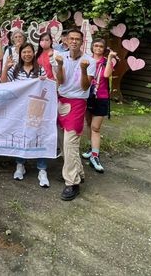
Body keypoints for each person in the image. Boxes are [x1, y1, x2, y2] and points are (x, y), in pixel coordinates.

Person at [51, 28, 92, 201]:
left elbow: (85, 87)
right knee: (63, 141)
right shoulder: (60, 57)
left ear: (82, 42)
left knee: (70, 142)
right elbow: (59, 81)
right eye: (71, 38)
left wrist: (83, 69)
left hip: (77, 102)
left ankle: (72, 182)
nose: (74, 41)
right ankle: (79, 173)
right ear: (66, 41)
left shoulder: (89, 61)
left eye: (77, 39)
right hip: (61, 100)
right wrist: (59, 65)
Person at [1, 42, 49, 187]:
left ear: (33, 53)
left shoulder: (40, 70)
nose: (27, 54)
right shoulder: (15, 70)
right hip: (19, 110)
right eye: (24, 52)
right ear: (20, 54)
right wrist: (5, 68)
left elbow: (46, 88)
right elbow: (4, 84)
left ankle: (42, 169)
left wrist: (43, 82)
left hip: (36, 111)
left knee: (39, 137)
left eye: (29, 52)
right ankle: (20, 165)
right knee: (20, 136)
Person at [84, 39, 118, 173]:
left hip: (101, 97)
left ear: (104, 49)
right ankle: (92, 148)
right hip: (87, 96)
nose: (98, 48)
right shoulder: (86, 60)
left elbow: (106, 74)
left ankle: (95, 156)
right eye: (96, 45)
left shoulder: (105, 61)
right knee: (88, 123)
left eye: (101, 46)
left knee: (95, 127)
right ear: (92, 47)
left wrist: (109, 58)